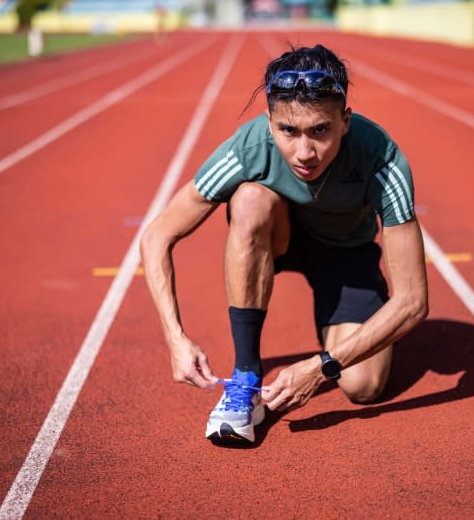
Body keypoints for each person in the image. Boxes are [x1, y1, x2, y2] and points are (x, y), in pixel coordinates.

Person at [141, 44, 428, 444]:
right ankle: (244, 377)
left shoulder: (381, 158)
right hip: (279, 236)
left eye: (320, 131)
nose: (304, 152)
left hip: (346, 252)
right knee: (250, 199)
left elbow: (414, 301)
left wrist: (321, 367)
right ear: (270, 122)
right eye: (288, 131)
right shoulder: (250, 146)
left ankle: (337, 333)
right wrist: (175, 336)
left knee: (363, 386)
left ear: (345, 121)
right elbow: (157, 235)